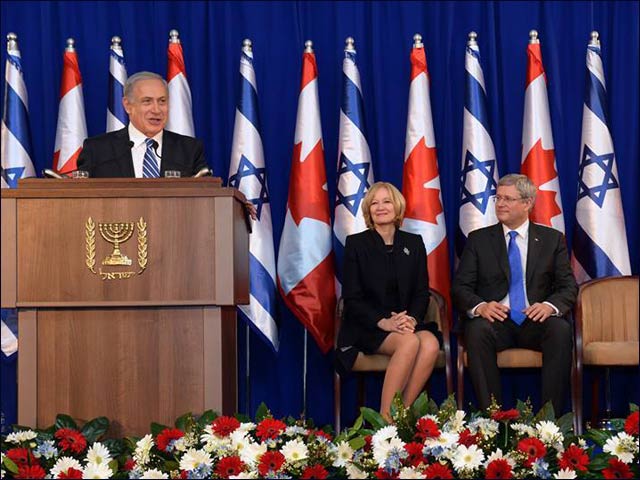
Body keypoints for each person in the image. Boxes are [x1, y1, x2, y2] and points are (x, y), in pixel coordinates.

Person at [452, 173, 577, 415]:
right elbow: (460, 288)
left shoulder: (552, 240)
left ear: (527, 203)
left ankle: (551, 422)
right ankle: (493, 421)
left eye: (508, 199)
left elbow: (568, 287)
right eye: (498, 198)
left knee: (560, 329)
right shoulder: (479, 240)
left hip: (535, 321)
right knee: (476, 330)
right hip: (496, 322)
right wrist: (481, 306)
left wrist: (549, 306)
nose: (500, 204)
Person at [336, 182, 441, 422]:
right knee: (409, 343)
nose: (381, 207)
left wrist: (411, 318)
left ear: (397, 207)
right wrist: (383, 322)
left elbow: (421, 292)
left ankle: (399, 416)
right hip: (368, 325)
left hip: (406, 322)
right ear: (368, 211)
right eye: (374, 203)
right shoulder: (356, 244)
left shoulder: (413, 243)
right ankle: (385, 417)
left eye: (386, 201)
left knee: (431, 345)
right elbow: (352, 297)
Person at [76, 71, 208, 178]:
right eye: (147, 101)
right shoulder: (98, 150)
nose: (156, 110)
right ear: (128, 105)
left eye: (162, 101)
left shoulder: (190, 150)